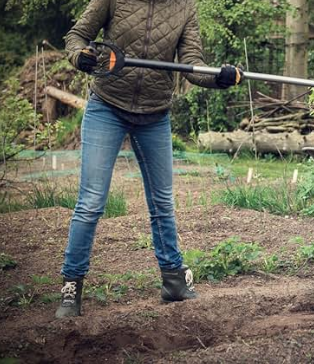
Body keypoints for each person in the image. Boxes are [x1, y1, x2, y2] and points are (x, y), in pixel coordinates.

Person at [55, 0, 243, 318]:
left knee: (163, 203)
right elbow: (76, 36)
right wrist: (80, 56)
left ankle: (173, 280)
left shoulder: (186, 7)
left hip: (155, 115)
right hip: (107, 107)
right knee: (90, 203)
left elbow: (192, 64)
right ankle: (71, 286)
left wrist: (218, 78)